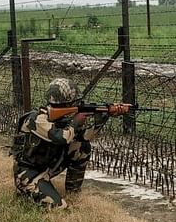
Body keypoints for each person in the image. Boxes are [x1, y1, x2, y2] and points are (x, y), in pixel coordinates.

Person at [10, 78, 129, 209]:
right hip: (28, 172)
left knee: (82, 147)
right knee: (59, 207)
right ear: (67, 104)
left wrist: (103, 117)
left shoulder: (62, 118)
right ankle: (26, 190)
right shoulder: (36, 119)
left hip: (47, 167)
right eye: (74, 102)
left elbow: (84, 138)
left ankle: (73, 192)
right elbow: (62, 138)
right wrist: (75, 123)